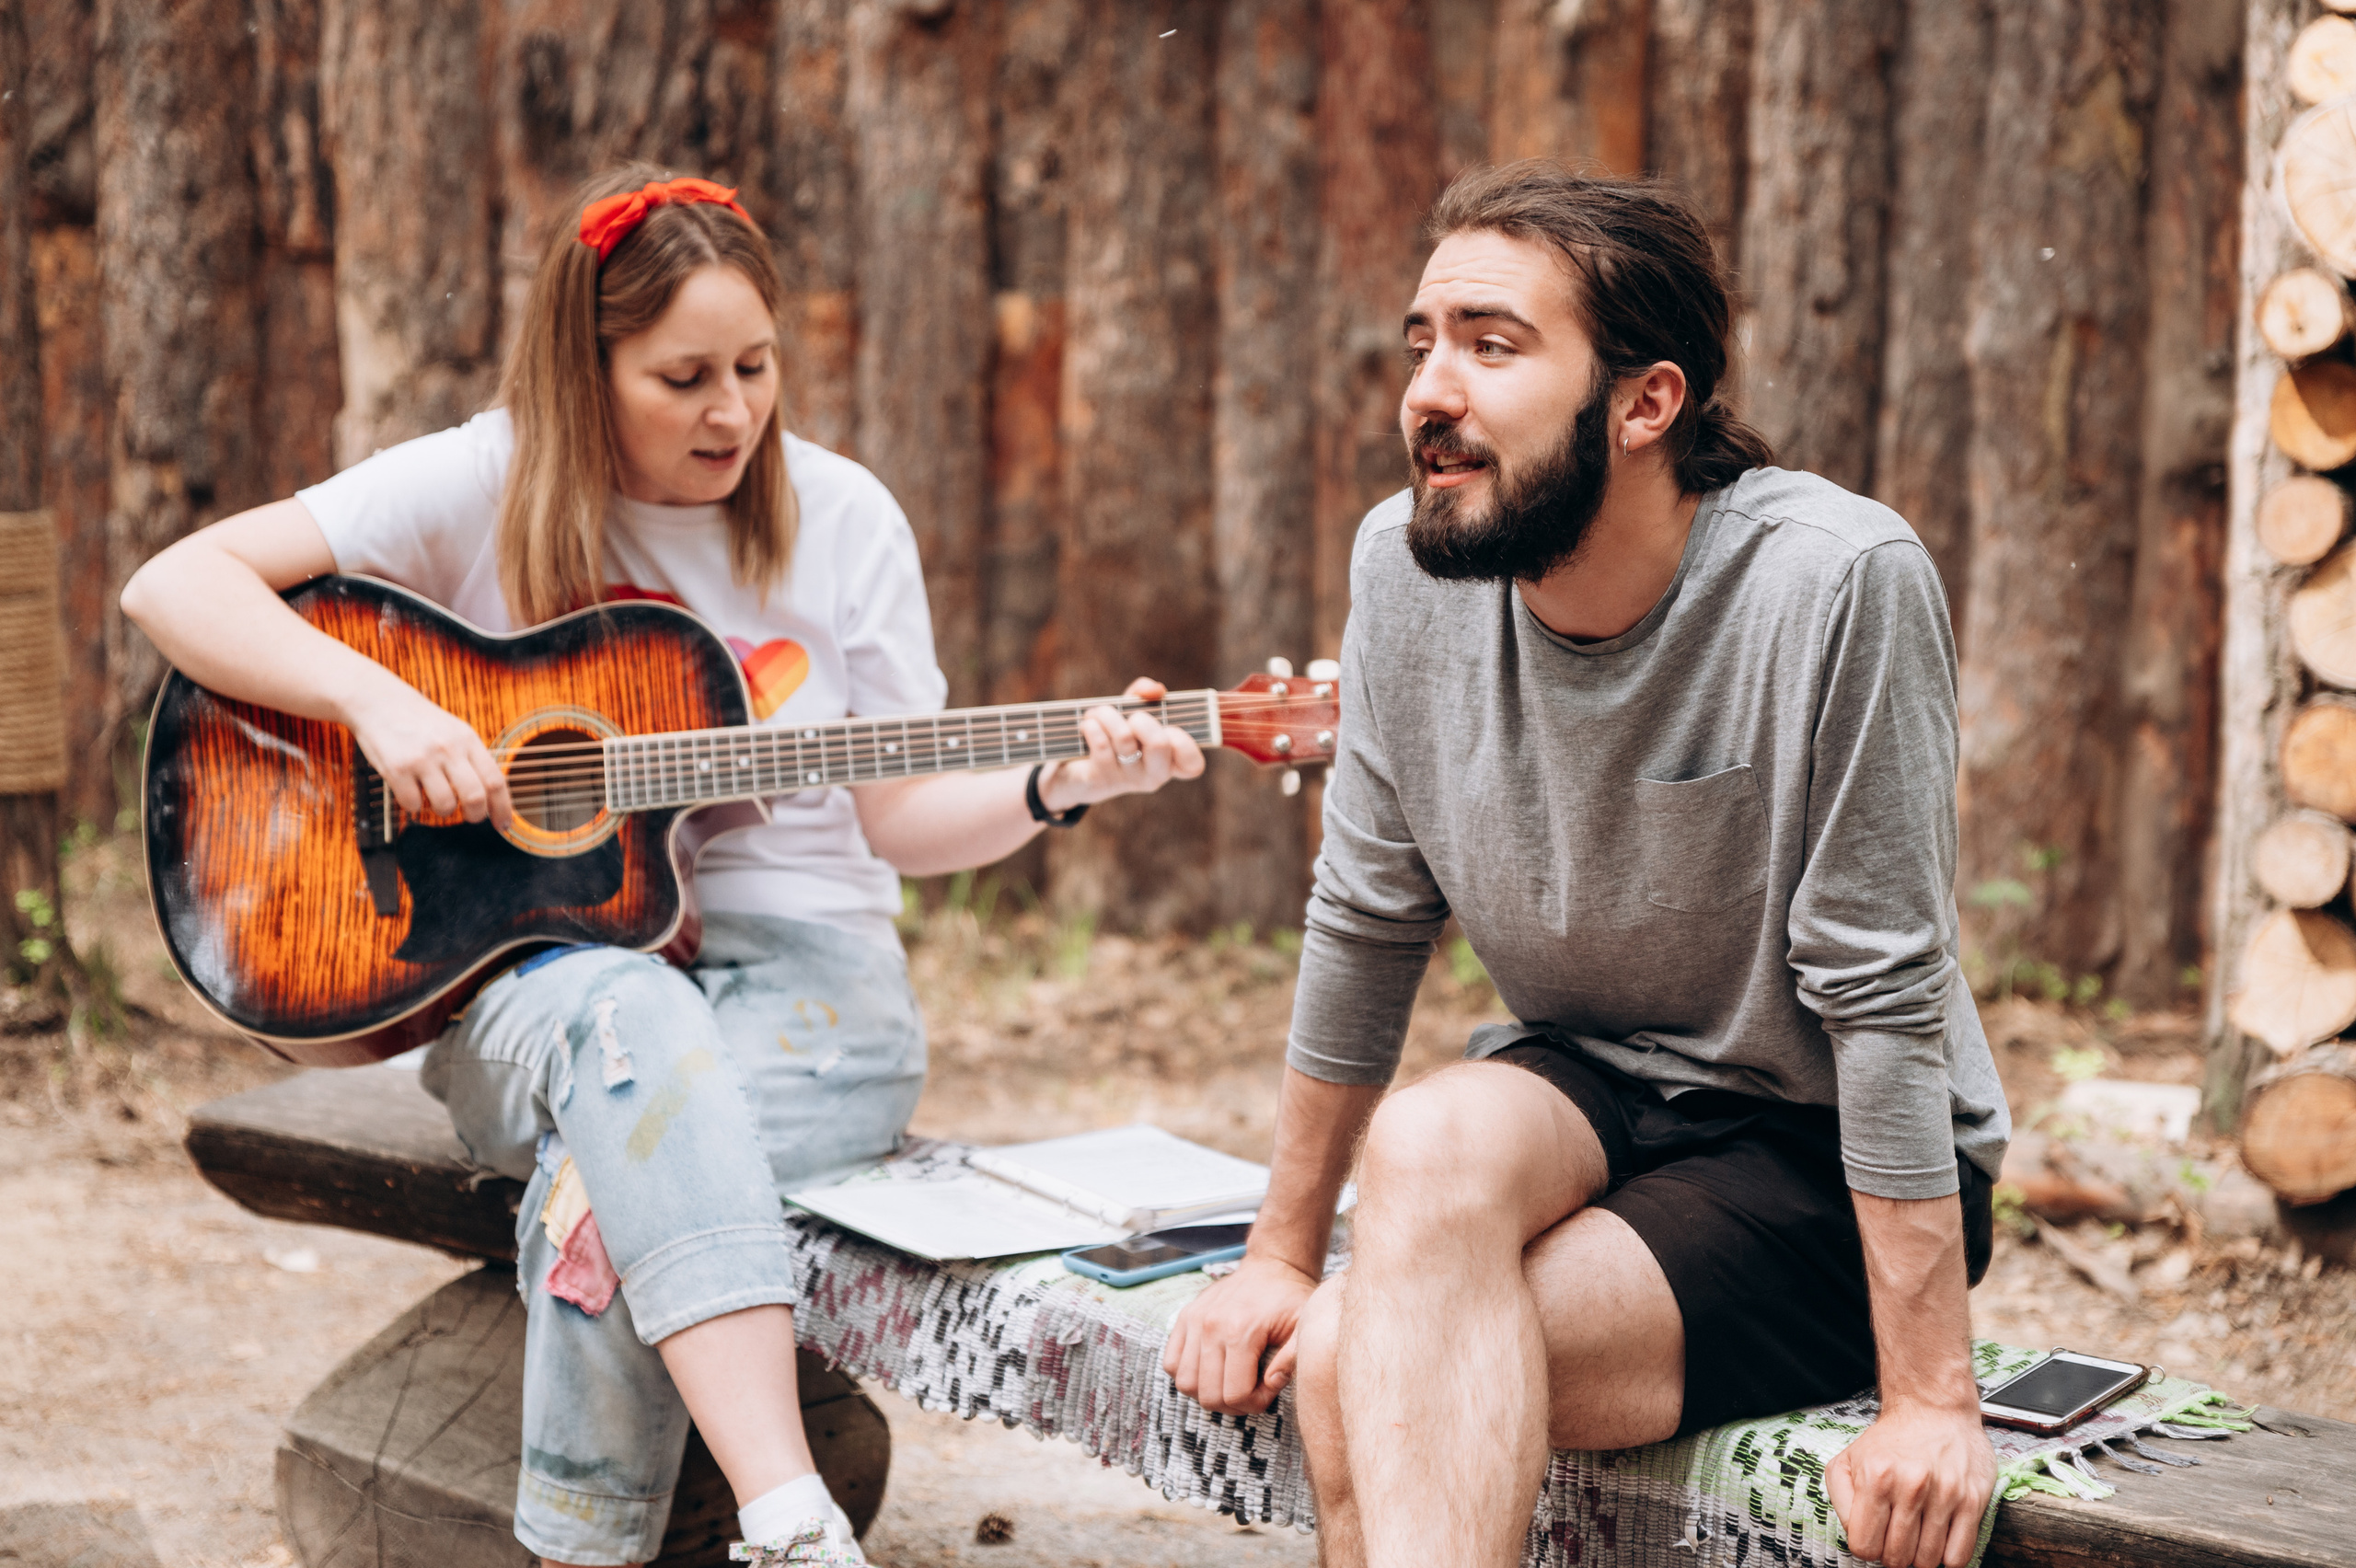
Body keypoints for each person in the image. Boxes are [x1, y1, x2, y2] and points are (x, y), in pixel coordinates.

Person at [121, 166, 1202, 1568]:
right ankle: (793, 1517)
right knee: (635, 1017)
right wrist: (381, 708)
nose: (733, 411)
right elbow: (174, 585)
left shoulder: (846, 518)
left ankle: (668, 1541)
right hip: (555, 992)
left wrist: (1059, 781)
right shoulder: (490, 474)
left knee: (602, 1195)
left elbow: (903, 823)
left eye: (756, 367)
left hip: (818, 999)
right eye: (684, 375)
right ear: (588, 371)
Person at [1161, 160, 2011, 1568]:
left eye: (1493, 347)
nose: (1431, 391)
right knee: (1425, 1139)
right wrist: (1277, 1258)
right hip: (1584, 1080)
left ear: (1644, 402)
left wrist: (1931, 1398)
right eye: (1423, 343)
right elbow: (1369, 917)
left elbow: (1881, 996)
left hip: (1804, 1148)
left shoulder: (1835, 583)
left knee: (1347, 1367)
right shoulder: (1403, 569)